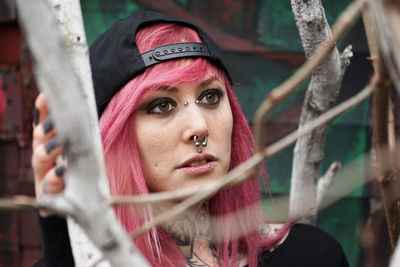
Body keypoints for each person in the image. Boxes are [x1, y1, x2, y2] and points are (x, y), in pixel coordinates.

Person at [31, 10, 349, 267]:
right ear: (114, 134)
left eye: (210, 97)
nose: (199, 127)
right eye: (162, 105)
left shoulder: (311, 256)